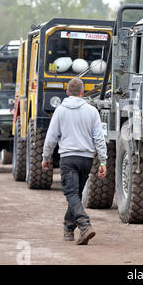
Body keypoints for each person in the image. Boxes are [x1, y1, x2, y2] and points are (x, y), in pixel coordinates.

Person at [42, 78, 108, 245]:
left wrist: (46, 157)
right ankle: (69, 228)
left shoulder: (60, 111)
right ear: (82, 92)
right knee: (75, 195)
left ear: (67, 92)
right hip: (86, 160)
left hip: (68, 159)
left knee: (71, 194)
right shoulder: (92, 111)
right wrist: (103, 161)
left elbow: (51, 137)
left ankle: (85, 225)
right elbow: (99, 138)